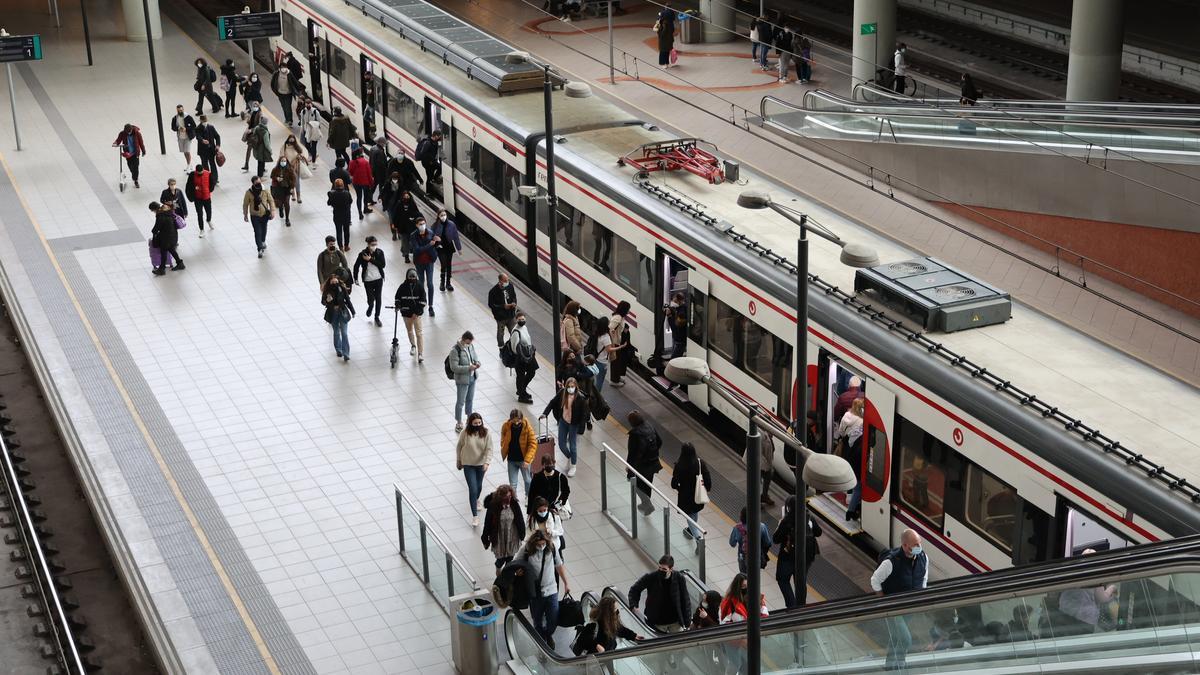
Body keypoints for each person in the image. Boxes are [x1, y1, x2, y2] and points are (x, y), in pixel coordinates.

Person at [871, 529, 928, 670]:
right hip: (894, 608)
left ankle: (889, 666)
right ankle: (898, 667)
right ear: (904, 545)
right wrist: (883, 602)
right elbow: (875, 580)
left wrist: (922, 595)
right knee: (905, 639)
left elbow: (924, 577)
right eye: (915, 545)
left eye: (919, 543)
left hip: (911, 607)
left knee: (896, 637)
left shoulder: (923, 557)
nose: (919, 547)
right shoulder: (891, 562)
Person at [515, 531, 570, 647]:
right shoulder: (526, 550)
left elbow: (559, 565)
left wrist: (566, 583)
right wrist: (518, 571)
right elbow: (515, 563)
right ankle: (541, 642)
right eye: (539, 544)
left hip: (551, 590)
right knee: (537, 620)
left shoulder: (551, 548)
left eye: (543, 543)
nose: (541, 546)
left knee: (553, 619)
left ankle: (548, 634)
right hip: (535, 593)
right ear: (534, 542)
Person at [772, 495, 820, 609]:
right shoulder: (809, 517)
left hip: (787, 556)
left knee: (782, 579)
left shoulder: (787, 521)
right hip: (806, 556)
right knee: (800, 581)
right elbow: (818, 532)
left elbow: (776, 539)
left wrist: (780, 524)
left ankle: (792, 606)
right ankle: (801, 606)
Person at [719, 573, 769, 675]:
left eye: (747, 586)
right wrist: (741, 640)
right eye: (743, 587)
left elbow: (764, 615)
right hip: (734, 640)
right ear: (737, 587)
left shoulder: (757, 598)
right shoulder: (728, 603)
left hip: (749, 639)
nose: (745, 589)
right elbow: (724, 624)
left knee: (749, 664)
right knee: (735, 663)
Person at [629, 555, 690, 634]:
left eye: (664, 569)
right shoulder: (651, 577)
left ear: (671, 569)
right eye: (659, 567)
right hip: (657, 621)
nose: (661, 570)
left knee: (678, 643)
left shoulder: (679, 578)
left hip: (675, 621)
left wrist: (687, 621)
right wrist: (634, 606)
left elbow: (685, 599)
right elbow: (634, 589)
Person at [541, 378, 587, 477]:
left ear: (576, 387)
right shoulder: (562, 393)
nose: (570, 389)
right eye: (569, 387)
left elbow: (584, 414)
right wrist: (545, 413)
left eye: (572, 387)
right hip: (563, 421)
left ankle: (573, 465)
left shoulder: (580, 398)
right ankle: (570, 457)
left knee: (573, 446)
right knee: (562, 444)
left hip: (574, 424)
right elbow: (552, 402)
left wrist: (580, 428)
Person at [456, 412, 493, 527]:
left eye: (479, 422)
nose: (477, 425)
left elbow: (489, 449)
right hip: (468, 464)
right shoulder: (465, 433)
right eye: (475, 423)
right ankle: (475, 516)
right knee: (473, 489)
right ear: (470, 423)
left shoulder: (486, 433)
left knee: (478, 486)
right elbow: (459, 446)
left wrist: (487, 462)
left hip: (481, 465)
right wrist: (459, 460)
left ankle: (475, 499)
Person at [670, 442, 712, 541]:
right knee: (694, 512)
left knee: (689, 516)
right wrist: (708, 489)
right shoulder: (700, 463)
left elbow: (674, 484)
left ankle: (698, 538)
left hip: (685, 496)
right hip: (698, 494)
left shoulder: (679, 465)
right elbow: (707, 478)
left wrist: (680, 488)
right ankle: (690, 530)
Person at [573, 595, 641, 655]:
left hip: (607, 655)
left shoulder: (611, 622)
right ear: (608, 612)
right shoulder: (594, 625)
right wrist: (596, 646)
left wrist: (633, 636)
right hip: (594, 659)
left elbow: (620, 629)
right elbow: (582, 640)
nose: (617, 612)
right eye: (614, 609)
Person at [626, 411, 662, 515]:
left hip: (640, 465)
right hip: (653, 462)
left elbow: (633, 453)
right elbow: (659, 442)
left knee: (635, 484)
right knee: (647, 484)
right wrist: (653, 451)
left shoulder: (635, 434)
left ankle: (647, 504)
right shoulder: (649, 426)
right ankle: (646, 504)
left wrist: (629, 466)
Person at [481, 484, 525, 570]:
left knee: (510, 557)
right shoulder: (494, 506)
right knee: (501, 559)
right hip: (499, 536)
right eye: (505, 496)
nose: (508, 498)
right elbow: (487, 523)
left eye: (509, 496)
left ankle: (506, 574)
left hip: (512, 535)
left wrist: (522, 533)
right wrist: (485, 538)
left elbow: (520, 519)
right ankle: (498, 566)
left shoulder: (514, 503)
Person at [836, 397, 865, 521]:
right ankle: (851, 511)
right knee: (858, 486)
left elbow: (841, 431)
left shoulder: (846, 415)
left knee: (849, 471)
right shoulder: (861, 422)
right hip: (855, 458)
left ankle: (848, 495)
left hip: (846, 448)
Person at [448, 332, 481, 432]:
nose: (469, 344)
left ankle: (469, 418)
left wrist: (477, 363)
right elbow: (454, 367)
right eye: (468, 342)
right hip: (462, 380)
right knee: (460, 402)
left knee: (470, 399)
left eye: (470, 343)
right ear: (463, 339)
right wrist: (468, 368)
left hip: (472, 378)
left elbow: (475, 357)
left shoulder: (471, 346)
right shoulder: (455, 351)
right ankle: (458, 422)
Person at [501, 409, 537, 496]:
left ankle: (528, 497)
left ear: (522, 418)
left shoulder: (527, 427)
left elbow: (533, 444)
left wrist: (527, 460)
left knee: (528, 480)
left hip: (523, 460)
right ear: (510, 419)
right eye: (514, 420)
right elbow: (503, 438)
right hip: (511, 460)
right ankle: (514, 500)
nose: (516, 423)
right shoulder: (506, 426)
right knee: (513, 484)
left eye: (518, 420)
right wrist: (503, 446)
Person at [353, 236, 386, 327]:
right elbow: (356, 266)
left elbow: (382, 265)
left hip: (378, 279)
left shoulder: (379, 252)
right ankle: (371, 306)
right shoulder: (362, 254)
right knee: (370, 299)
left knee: (378, 298)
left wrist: (370, 259)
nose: (374, 246)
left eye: (375, 244)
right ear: (368, 244)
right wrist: (355, 278)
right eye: (372, 245)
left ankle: (377, 316)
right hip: (368, 280)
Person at [394, 268, 426, 361]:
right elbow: (397, 298)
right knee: (410, 331)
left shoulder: (420, 287)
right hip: (406, 314)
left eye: (414, 277)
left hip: (416, 315)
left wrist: (416, 312)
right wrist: (398, 305)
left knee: (419, 333)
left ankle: (420, 353)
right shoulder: (402, 287)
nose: (412, 279)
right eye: (410, 277)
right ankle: (413, 345)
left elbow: (423, 301)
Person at [729, 506, 773, 574]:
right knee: (755, 576)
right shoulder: (762, 526)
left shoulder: (737, 528)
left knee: (744, 575)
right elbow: (768, 543)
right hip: (757, 556)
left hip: (742, 557)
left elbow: (732, 543)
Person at [322, 274, 355, 361]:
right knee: (336, 332)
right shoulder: (327, 291)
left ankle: (346, 353)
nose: (334, 283)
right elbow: (323, 301)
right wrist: (327, 301)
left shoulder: (342, 289)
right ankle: (338, 349)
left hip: (342, 312)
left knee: (344, 333)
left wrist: (353, 311)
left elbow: (348, 300)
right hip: (333, 313)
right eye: (332, 282)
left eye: (336, 281)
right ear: (329, 282)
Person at [410, 218, 439, 316]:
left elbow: (435, 245)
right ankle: (422, 302)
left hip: (429, 262)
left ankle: (431, 306)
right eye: (420, 224)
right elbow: (417, 250)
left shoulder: (430, 232)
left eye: (424, 223)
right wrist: (429, 245)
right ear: (416, 225)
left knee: (430, 283)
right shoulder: (413, 236)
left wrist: (437, 241)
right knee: (421, 283)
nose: (422, 225)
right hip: (419, 262)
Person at [242, 176, 276, 258]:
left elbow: (271, 200)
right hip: (255, 215)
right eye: (257, 183)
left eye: (259, 182)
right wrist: (245, 214)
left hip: (264, 215)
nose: (259, 184)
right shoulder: (249, 192)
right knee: (257, 232)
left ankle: (263, 240)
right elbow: (245, 204)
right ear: (253, 183)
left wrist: (272, 211)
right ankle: (260, 249)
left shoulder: (265, 190)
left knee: (264, 229)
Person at [509, 312, 537, 403]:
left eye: (523, 319)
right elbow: (514, 347)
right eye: (519, 319)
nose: (522, 321)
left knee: (532, 372)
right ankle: (521, 395)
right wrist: (521, 354)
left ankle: (522, 389)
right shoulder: (515, 331)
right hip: (520, 357)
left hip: (528, 354)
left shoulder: (524, 328)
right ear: (516, 320)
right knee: (520, 376)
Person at [149, 201, 183, 275]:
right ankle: (180, 264)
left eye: (152, 210)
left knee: (163, 251)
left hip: (166, 236)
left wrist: (153, 232)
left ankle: (162, 269)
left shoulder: (160, 215)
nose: (153, 212)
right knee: (171, 249)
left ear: (154, 209)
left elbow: (157, 227)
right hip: (172, 234)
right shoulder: (167, 210)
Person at [432, 209, 462, 291]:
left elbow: (456, 237)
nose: (443, 217)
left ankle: (448, 283)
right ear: (438, 216)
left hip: (449, 246)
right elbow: (431, 236)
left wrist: (459, 248)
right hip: (440, 247)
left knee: (449, 264)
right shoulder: (435, 225)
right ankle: (442, 283)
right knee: (443, 264)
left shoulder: (451, 224)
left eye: (444, 215)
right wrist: (434, 241)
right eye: (441, 215)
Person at [488, 274, 519, 348]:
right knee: (500, 333)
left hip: (511, 315)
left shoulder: (510, 286)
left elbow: (514, 296)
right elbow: (491, 305)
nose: (507, 282)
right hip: (501, 317)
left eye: (507, 280)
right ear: (500, 281)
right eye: (505, 281)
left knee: (514, 331)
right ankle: (501, 348)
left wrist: (514, 303)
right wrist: (503, 306)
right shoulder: (493, 291)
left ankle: (515, 346)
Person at [113, 123, 146, 189]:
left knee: (136, 167)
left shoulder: (137, 134)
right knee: (130, 166)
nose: (128, 133)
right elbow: (118, 140)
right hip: (128, 153)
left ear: (131, 129)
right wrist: (115, 143)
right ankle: (134, 175)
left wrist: (143, 151)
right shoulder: (122, 133)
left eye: (129, 132)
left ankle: (136, 180)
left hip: (135, 153)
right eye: (127, 132)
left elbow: (141, 143)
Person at [192, 115, 222, 190]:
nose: (205, 122)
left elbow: (217, 136)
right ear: (201, 121)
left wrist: (218, 145)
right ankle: (207, 179)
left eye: (206, 121)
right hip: (203, 151)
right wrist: (203, 140)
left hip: (211, 150)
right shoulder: (198, 128)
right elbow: (198, 137)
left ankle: (214, 179)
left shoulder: (211, 127)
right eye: (204, 121)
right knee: (205, 165)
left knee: (212, 164)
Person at [608, 302, 633, 387]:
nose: (629, 311)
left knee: (618, 361)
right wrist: (612, 342)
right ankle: (614, 380)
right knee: (615, 362)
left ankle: (617, 377)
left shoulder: (621, 317)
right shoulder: (617, 318)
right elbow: (610, 329)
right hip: (614, 343)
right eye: (628, 309)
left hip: (618, 342)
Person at [390, 190, 420, 257]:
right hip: (402, 227)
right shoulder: (399, 204)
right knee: (405, 241)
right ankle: (406, 255)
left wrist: (414, 219)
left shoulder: (412, 204)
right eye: (405, 196)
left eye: (407, 196)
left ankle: (408, 250)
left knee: (412, 240)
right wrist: (394, 224)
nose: (406, 198)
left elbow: (417, 214)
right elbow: (396, 215)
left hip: (411, 227)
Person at [327, 178, 354, 252]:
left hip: (337, 215)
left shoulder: (333, 194)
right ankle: (346, 246)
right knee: (346, 230)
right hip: (346, 215)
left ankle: (341, 247)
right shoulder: (347, 193)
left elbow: (329, 203)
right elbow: (351, 201)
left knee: (338, 231)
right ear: (343, 185)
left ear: (335, 185)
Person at [185, 165, 212, 235]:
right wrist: (194, 189)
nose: (200, 174)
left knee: (209, 211)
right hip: (198, 198)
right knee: (199, 214)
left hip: (206, 197)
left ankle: (209, 220)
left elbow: (212, 183)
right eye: (198, 173)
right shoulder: (192, 175)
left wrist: (209, 190)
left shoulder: (208, 173)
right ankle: (202, 229)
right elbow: (188, 185)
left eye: (201, 172)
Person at [269, 157, 296, 227]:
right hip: (278, 188)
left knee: (286, 203)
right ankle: (281, 208)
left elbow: (293, 179)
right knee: (280, 202)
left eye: (284, 161)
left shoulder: (290, 170)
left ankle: (287, 219)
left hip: (287, 188)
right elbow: (272, 176)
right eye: (282, 161)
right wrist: (276, 178)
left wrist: (292, 188)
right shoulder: (275, 169)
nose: (283, 162)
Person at [348, 148, 374, 219]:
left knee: (359, 197)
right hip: (365, 182)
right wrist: (371, 183)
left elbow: (351, 172)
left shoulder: (351, 162)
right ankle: (365, 208)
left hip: (356, 182)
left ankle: (360, 213)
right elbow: (369, 174)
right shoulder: (365, 162)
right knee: (365, 196)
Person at [590, 321, 615, 394]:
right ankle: (596, 397)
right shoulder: (606, 337)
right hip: (602, 362)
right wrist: (620, 347)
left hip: (597, 359)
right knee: (600, 382)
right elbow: (609, 349)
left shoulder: (598, 334)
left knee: (597, 379)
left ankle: (594, 395)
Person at [169, 105, 196, 170]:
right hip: (180, 137)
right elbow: (173, 127)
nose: (180, 111)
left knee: (187, 151)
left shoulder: (188, 117)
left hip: (188, 136)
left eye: (181, 110)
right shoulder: (175, 118)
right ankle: (189, 164)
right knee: (184, 151)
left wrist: (186, 129)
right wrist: (178, 128)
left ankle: (189, 165)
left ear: (183, 109)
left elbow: (194, 126)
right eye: (178, 110)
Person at [298, 98, 322, 163]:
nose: (308, 105)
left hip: (313, 131)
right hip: (306, 131)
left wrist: (314, 126)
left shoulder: (315, 112)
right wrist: (302, 129)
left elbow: (319, 121)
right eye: (307, 104)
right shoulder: (303, 111)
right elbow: (302, 121)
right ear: (305, 104)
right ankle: (314, 154)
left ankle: (313, 157)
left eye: (309, 104)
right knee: (307, 145)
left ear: (311, 104)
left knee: (313, 146)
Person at [665, 292, 687, 359]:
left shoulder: (682, 314)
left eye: (675, 301)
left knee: (674, 359)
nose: (673, 302)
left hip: (680, 339)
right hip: (677, 338)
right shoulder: (680, 308)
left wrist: (669, 316)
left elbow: (675, 327)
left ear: (679, 301)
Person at [655, 3, 676, 67]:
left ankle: (666, 63)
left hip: (667, 37)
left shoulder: (664, 16)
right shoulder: (664, 23)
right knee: (664, 50)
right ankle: (663, 63)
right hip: (665, 37)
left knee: (665, 50)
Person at [368, 137, 389, 203]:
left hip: (373, 170)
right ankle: (382, 199)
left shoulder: (373, 148)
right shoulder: (379, 151)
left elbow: (370, 160)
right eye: (384, 143)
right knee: (381, 186)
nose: (385, 145)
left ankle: (369, 198)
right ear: (381, 143)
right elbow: (381, 164)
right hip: (380, 172)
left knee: (374, 185)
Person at [760, 434, 776, 507]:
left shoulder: (769, 438)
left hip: (766, 463)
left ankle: (764, 496)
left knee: (769, 476)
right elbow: (758, 454)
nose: (773, 435)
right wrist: (766, 466)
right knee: (756, 483)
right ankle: (755, 502)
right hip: (759, 464)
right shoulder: (761, 437)